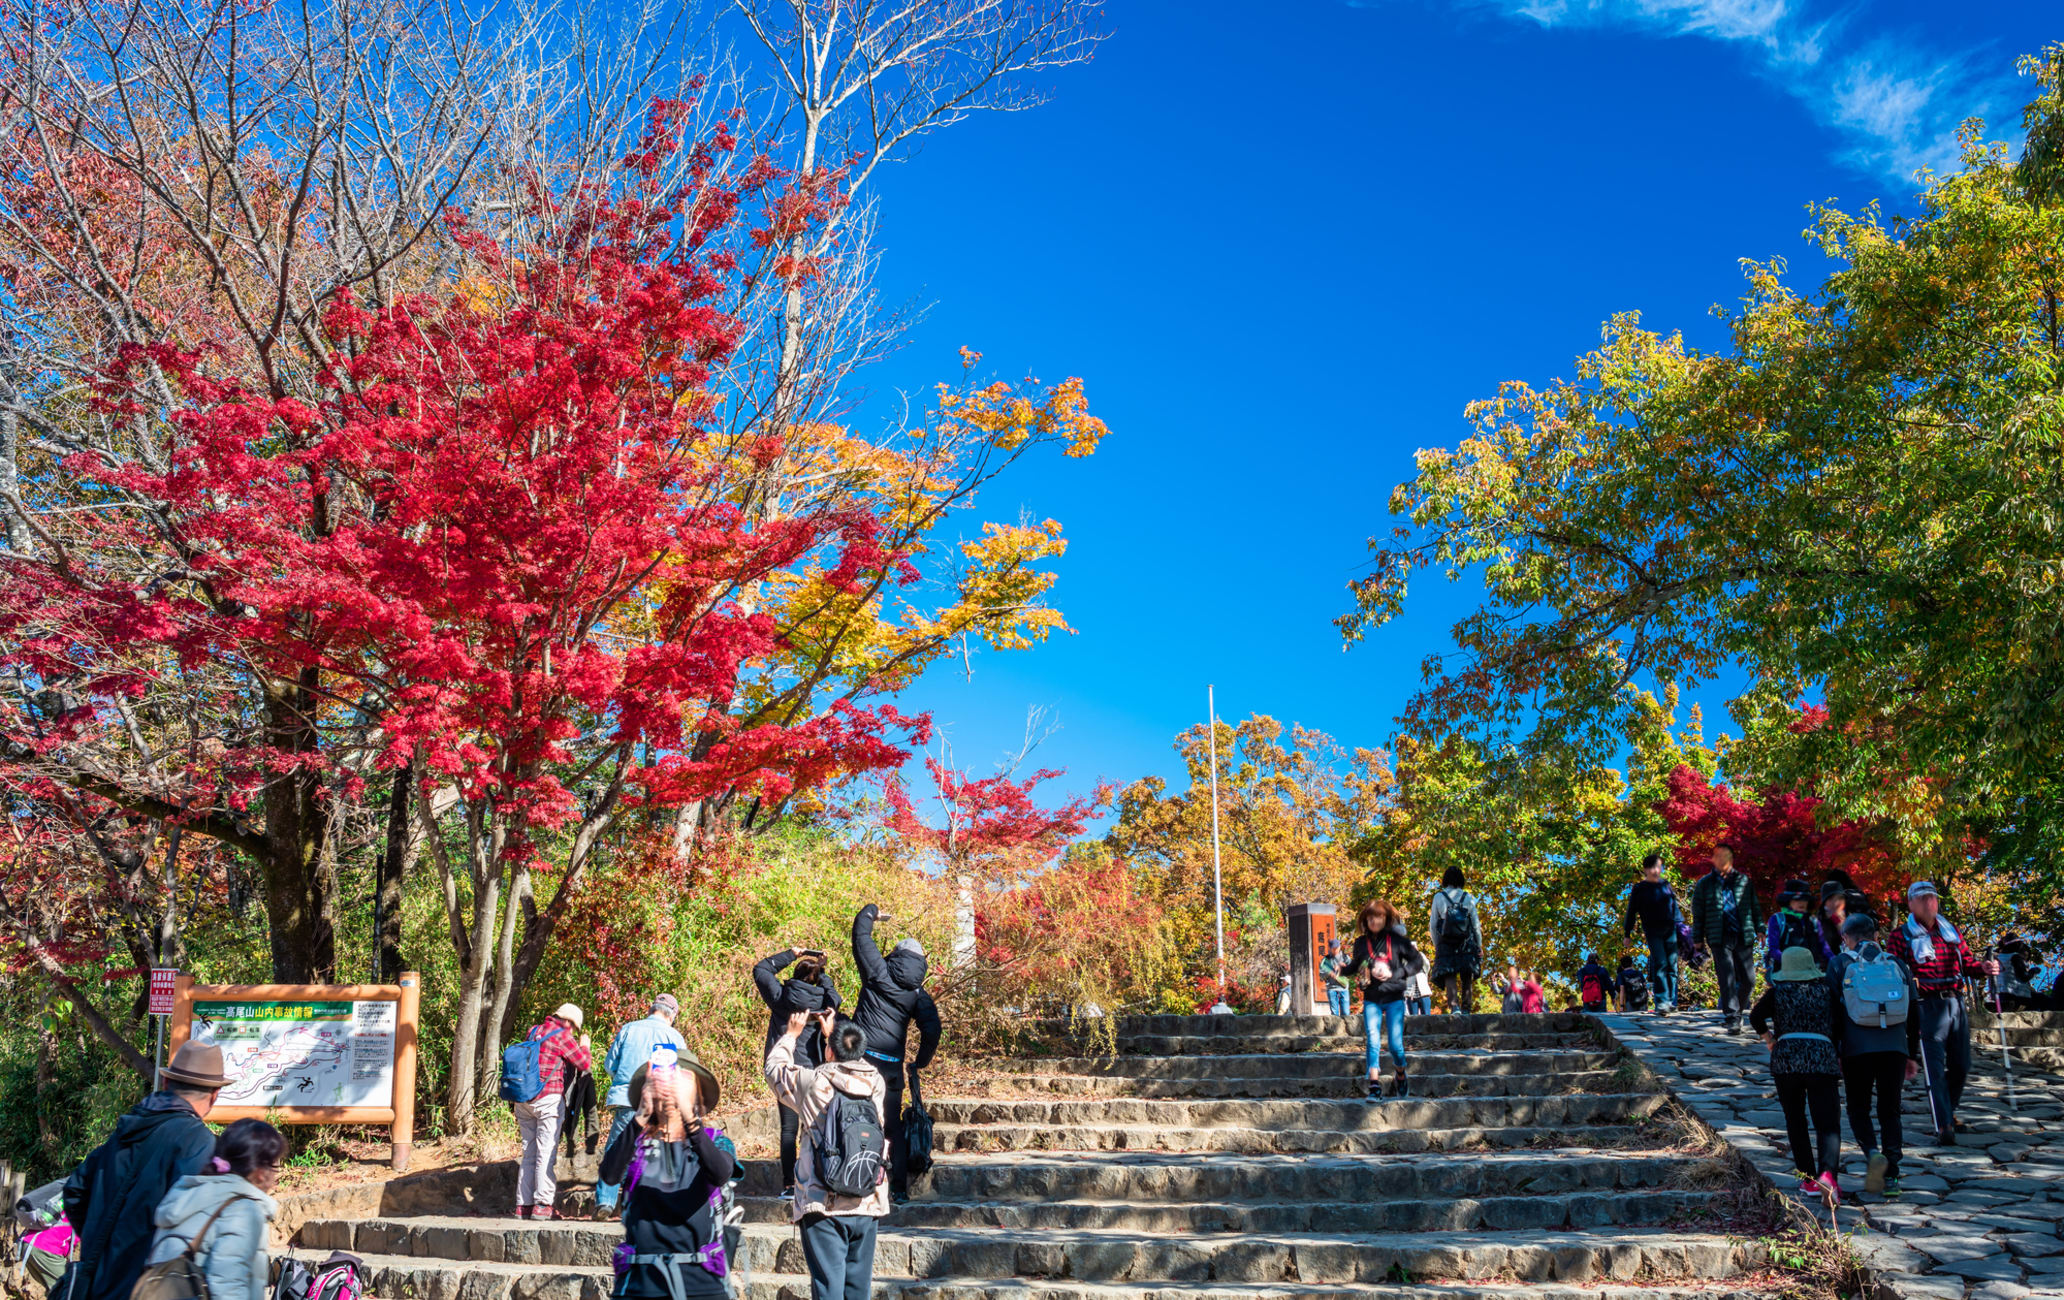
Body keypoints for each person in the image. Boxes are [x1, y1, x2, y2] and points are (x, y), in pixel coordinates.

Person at [63, 1040, 232, 1300]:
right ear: (214, 1095)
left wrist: (101, 1242)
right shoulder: (198, 1142)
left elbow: (75, 1190)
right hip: (147, 1290)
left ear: (166, 1084)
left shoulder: (125, 1130)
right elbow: (197, 1221)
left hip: (96, 1285)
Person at [766, 1011, 891, 1300]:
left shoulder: (813, 1081)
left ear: (830, 1051)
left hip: (823, 1203)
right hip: (867, 1198)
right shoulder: (876, 1083)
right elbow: (848, 1068)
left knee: (828, 1288)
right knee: (858, 1290)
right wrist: (833, 1038)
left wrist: (792, 1035)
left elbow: (774, 1069)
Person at [598, 1043, 734, 1300]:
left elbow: (720, 1173)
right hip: (641, 1281)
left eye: (683, 1078)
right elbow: (610, 1175)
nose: (671, 1086)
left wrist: (690, 1122)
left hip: (702, 1281)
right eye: (666, 1076)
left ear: (697, 1093)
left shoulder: (715, 1140)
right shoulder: (634, 1143)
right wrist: (641, 1115)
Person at [1887, 881, 1999, 1144]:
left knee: (1961, 1064)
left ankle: (1948, 1111)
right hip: (1926, 1005)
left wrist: (1983, 967)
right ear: (1911, 904)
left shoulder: (1950, 931)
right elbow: (1894, 969)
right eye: (1923, 898)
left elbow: (1967, 962)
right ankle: (1944, 1125)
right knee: (1934, 1068)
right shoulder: (1901, 936)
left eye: (1933, 898)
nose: (1930, 903)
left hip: (1955, 1003)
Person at [850, 904, 941, 1204]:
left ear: (897, 955)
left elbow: (860, 935)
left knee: (855, 1120)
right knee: (891, 1125)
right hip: (891, 1069)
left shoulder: (878, 971)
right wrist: (920, 1061)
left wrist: (872, 912)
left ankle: (854, 1181)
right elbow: (933, 1029)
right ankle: (898, 1189)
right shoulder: (917, 995)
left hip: (861, 1061)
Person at [1828, 913, 1921, 1197]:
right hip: (1894, 1047)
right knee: (1890, 1110)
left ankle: (1871, 1153)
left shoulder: (1840, 963)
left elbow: (1832, 1012)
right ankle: (1891, 1173)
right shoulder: (1897, 964)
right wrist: (1911, 1053)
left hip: (1857, 1048)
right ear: (1876, 936)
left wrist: (1837, 1051)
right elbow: (1914, 1013)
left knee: (1858, 1108)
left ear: (1846, 938)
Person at [145, 1119, 286, 1300]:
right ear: (260, 1171)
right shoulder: (243, 1210)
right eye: (275, 1166)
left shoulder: (186, 1195)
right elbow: (228, 1288)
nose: (275, 1177)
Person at [1748, 946, 1845, 1202]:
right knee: (1828, 1123)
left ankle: (1809, 1180)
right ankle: (1828, 1176)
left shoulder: (1778, 992)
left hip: (1787, 1059)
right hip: (1821, 1057)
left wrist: (1769, 1038)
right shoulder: (1826, 991)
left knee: (1796, 1120)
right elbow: (1841, 1023)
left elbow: (1755, 1016)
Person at [754, 945, 844, 1200]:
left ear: (794, 974)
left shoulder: (781, 998)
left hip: (787, 1070)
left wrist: (791, 953)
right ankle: (821, 1179)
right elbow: (835, 997)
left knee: (788, 1130)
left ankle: (788, 1186)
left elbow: (761, 969)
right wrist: (823, 970)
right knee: (819, 1126)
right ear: (816, 980)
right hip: (816, 1071)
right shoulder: (824, 1003)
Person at [598, 995, 688, 1218]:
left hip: (627, 1099)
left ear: (652, 1009)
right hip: (659, 1102)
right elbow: (682, 1072)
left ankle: (605, 1202)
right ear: (671, 1015)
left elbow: (610, 1065)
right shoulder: (673, 1036)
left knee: (617, 1150)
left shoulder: (629, 1029)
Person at [1340, 898, 1426, 1099]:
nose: (1374, 921)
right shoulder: (1361, 943)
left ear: (1385, 918)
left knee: (1396, 1045)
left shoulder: (1396, 940)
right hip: (1372, 997)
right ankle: (1374, 1085)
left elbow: (1417, 960)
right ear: (1365, 919)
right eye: (1370, 917)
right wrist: (1341, 970)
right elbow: (1355, 965)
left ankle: (1401, 1073)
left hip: (1395, 995)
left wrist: (1398, 974)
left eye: (1378, 917)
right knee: (1372, 1039)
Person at [515, 1003, 592, 1220]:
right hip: (547, 1099)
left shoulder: (534, 1030)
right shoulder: (562, 1036)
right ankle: (543, 1204)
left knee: (528, 1152)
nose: (574, 1032)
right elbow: (583, 1062)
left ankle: (523, 1206)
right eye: (575, 1028)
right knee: (545, 1152)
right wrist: (584, 1045)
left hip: (523, 1100)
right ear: (569, 1022)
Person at [1691, 843, 1761, 1032]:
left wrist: (1760, 928)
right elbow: (1698, 914)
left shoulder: (1744, 881)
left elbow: (1754, 907)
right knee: (1726, 977)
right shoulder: (1704, 884)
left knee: (1749, 979)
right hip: (1718, 936)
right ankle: (1732, 1017)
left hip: (1743, 934)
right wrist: (1697, 937)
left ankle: (1735, 1010)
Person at [1623, 853, 1683, 1012]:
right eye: (1654, 867)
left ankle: (1671, 1001)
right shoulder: (1640, 889)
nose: (1657, 870)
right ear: (1646, 869)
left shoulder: (1666, 885)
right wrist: (1627, 933)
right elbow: (1631, 912)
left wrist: (1681, 927)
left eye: (1659, 867)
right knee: (1661, 963)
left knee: (1672, 966)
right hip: (1653, 930)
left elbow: (1674, 907)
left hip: (1670, 930)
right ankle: (1662, 1001)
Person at [1428, 867, 1484, 1014]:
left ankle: (1454, 1007)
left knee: (1449, 973)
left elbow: (1433, 924)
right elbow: (1476, 925)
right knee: (1467, 973)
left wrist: (1437, 944)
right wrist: (1479, 945)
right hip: (1466, 941)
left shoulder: (1438, 897)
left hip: (1446, 941)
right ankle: (1467, 1007)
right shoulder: (1468, 897)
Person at [1765, 880, 1830, 973]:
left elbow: (1824, 948)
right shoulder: (1778, 920)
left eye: (1805, 899)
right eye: (1797, 899)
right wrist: (1793, 962)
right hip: (1785, 974)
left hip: (1813, 974)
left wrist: (1837, 962)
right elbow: (1774, 950)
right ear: (1788, 900)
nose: (1802, 903)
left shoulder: (1813, 921)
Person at [1816, 887, 1849, 965]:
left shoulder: (1846, 917)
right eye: (1833, 899)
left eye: (1841, 898)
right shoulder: (1819, 922)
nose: (1839, 902)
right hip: (1828, 965)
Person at [1319, 941, 1352, 1017]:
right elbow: (1321, 975)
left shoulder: (1345, 957)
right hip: (1331, 988)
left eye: (1337, 948)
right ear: (1330, 948)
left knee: (1346, 1014)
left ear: (1340, 947)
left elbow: (1352, 970)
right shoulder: (1326, 960)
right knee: (1334, 1014)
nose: (1335, 950)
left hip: (1343, 988)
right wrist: (1329, 973)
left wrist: (1343, 967)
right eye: (1333, 948)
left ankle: (1346, 1029)